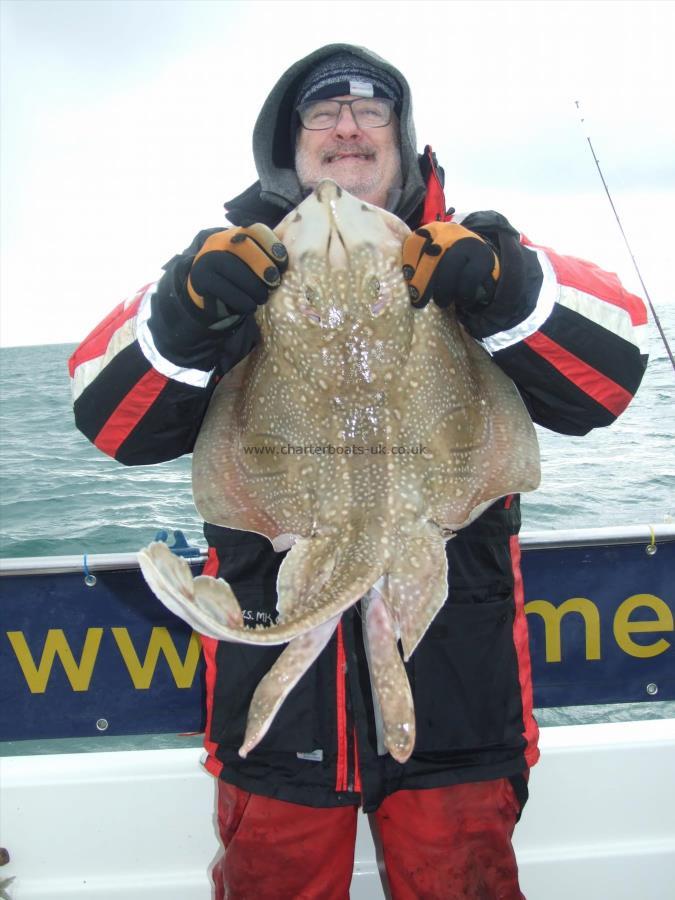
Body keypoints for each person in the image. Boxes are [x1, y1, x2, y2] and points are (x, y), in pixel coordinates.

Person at [69, 44, 648, 899]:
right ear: (287, 144)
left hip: (460, 693)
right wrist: (190, 312)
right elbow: (105, 414)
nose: (347, 127)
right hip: (277, 726)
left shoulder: (480, 253)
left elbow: (613, 369)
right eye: (321, 113)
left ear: (402, 137)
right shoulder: (224, 269)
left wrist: (502, 287)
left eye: (371, 110)